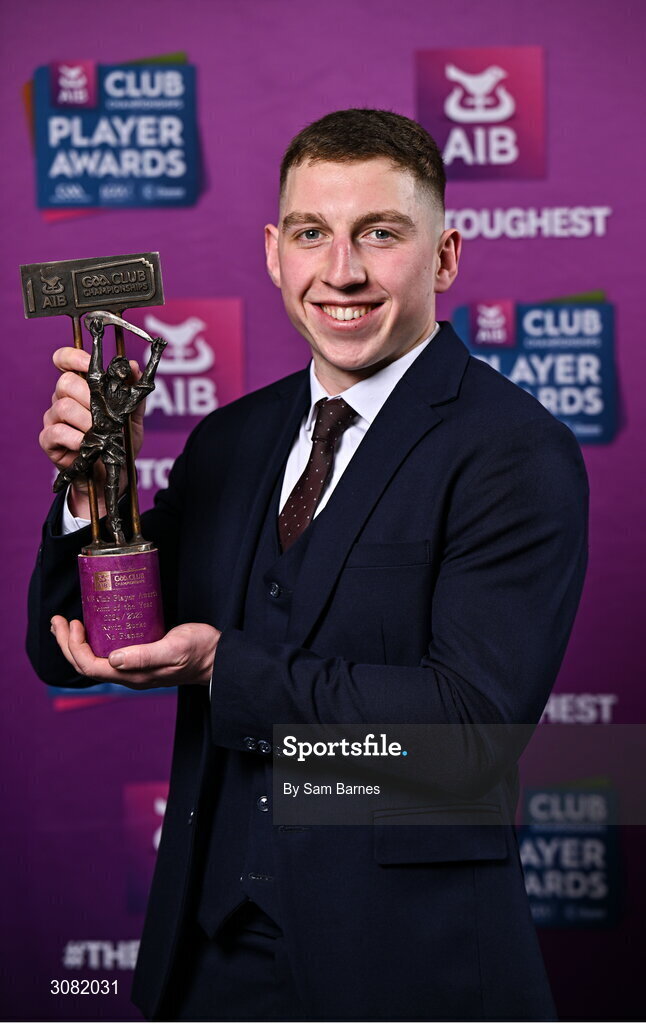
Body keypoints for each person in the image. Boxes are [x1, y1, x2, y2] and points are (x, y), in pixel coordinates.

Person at [27, 109, 588, 1022]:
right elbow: (72, 645)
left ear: (443, 257)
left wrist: (223, 665)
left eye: (379, 233)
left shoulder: (513, 451)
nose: (341, 272)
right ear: (273, 252)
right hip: (209, 961)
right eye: (311, 233)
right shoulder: (230, 439)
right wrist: (99, 488)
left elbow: (465, 732)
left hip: (411, 971)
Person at [52, 316, 167, 545]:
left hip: (114, 442)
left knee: (112, 484)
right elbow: (94, 369)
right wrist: (97, 338)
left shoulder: (130, 394)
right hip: (96, 437)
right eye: (118, 364)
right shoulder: (98, 387)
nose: (123, 367)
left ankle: (113, 523)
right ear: (111, 370)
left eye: (126, 365)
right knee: (83, 464)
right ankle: (68, 474)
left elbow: (146, 382)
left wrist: (156, 355)